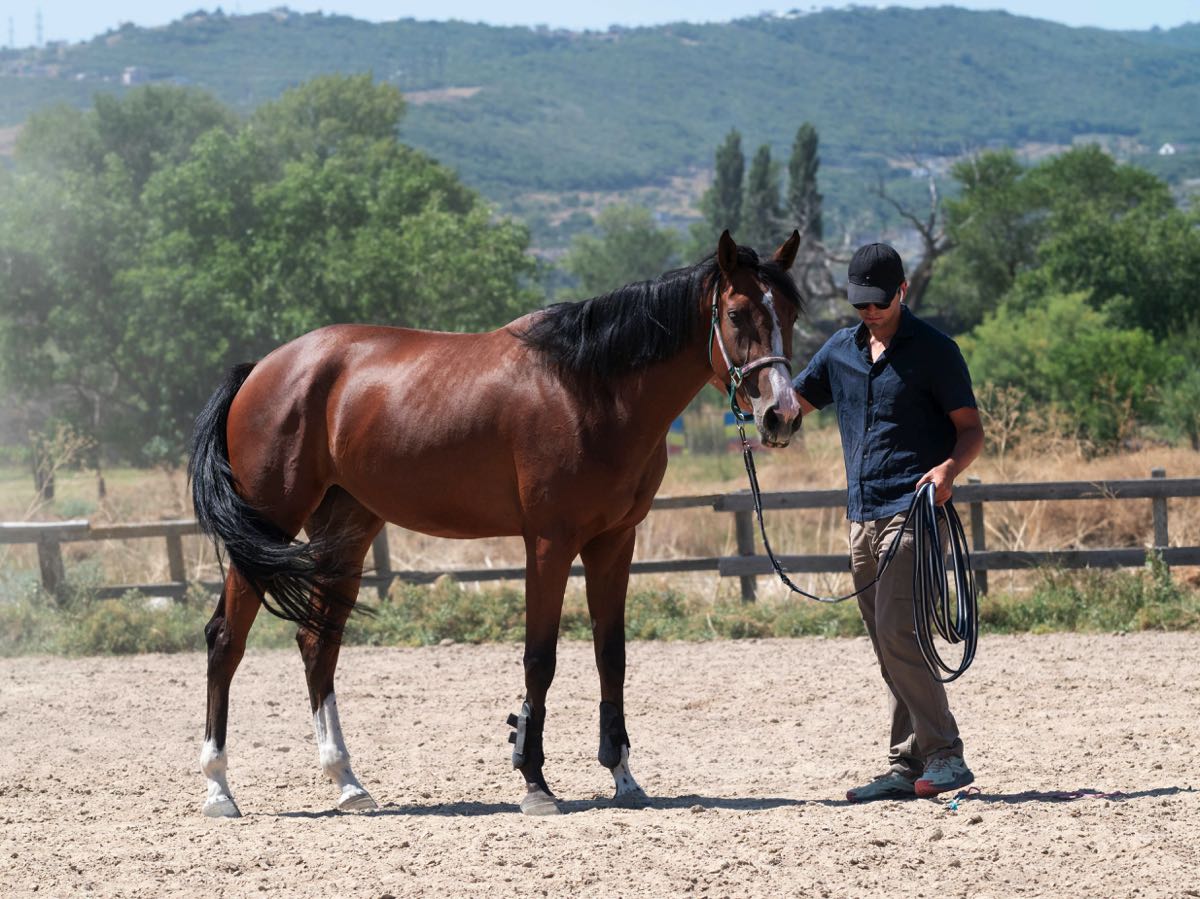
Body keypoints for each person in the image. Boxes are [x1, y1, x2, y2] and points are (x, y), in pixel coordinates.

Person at [792, 243, 984, 801]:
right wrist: (758, 410)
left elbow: (971, 430)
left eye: (879, 301)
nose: (870, 312)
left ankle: (946, 754)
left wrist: (949, 469)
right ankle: (907, 764)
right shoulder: (840, 351)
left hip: (913, 509)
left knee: (901, 634)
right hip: (861, 516)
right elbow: (791, 407)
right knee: (888, 645)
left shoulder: (935, 351)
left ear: (902, 290)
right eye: (861, 304)